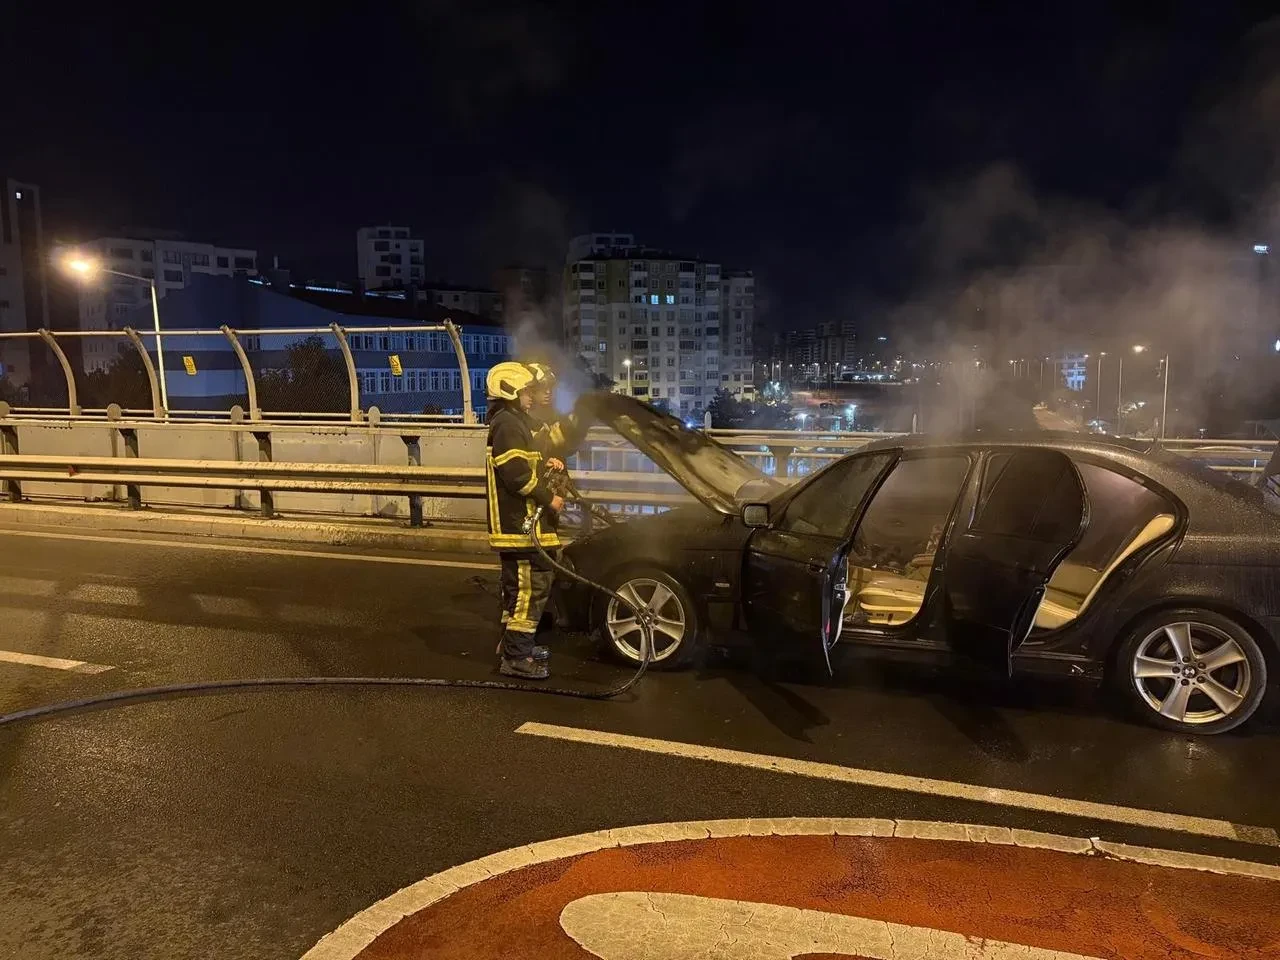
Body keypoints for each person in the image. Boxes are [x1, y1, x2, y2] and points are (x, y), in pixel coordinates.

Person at [484, 361, 565, 679]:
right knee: (532, 588)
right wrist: (551, 499)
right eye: (527, 392)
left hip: (520, 525)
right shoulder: (508, 424)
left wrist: (548, 463)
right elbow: (517, 477)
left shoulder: (512, 422)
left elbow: (526, 465)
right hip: (521, 525)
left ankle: (515, 645)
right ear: (512, 392)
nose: (532, 397)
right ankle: (516, 657)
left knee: (518, 589)